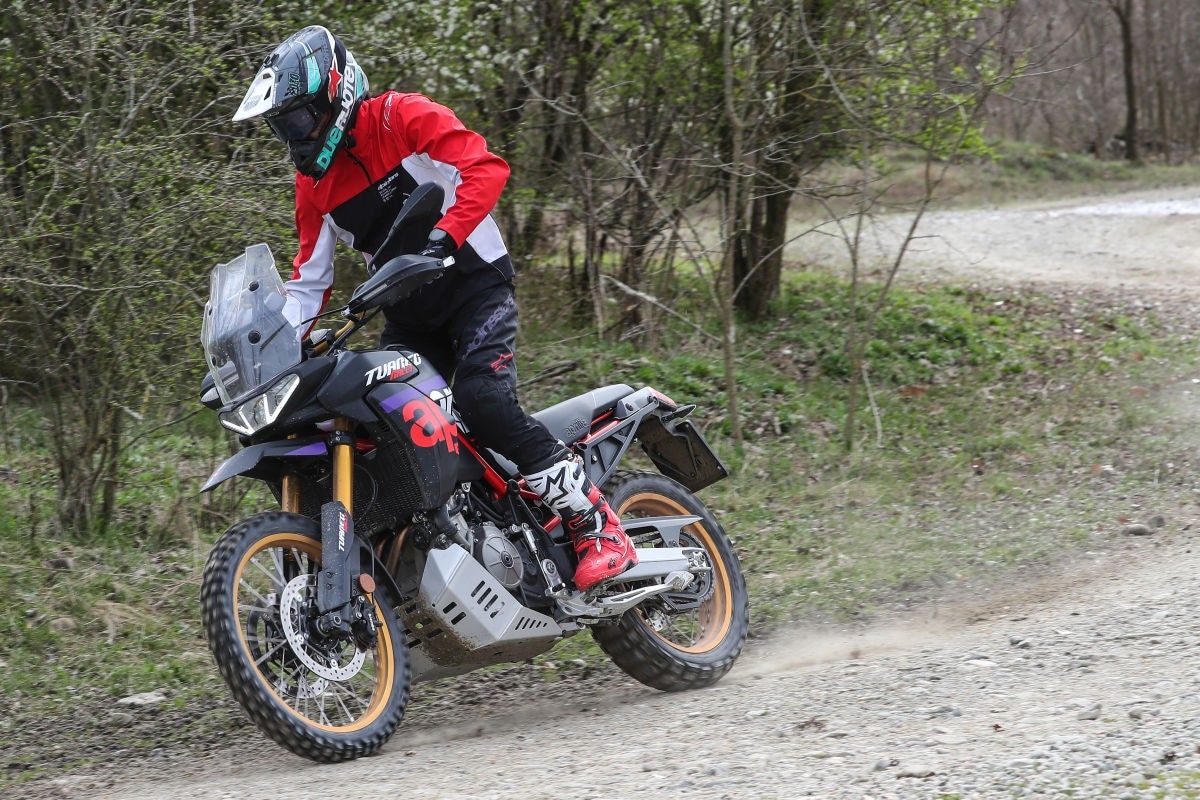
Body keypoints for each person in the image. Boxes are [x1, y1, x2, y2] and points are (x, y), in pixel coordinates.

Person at [232, 25, 636, 591]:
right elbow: (308, 283)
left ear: (336, 95)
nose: (294, 136)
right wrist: (264, 348)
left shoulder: (401, 117)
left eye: (299, 119)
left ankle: (596, 524)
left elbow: (485, 167)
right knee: (388, 427)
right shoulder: (312, 185)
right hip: (408, 314)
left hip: (475, 286)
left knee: (482, 399)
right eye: (283, 126)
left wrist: (444, 238)